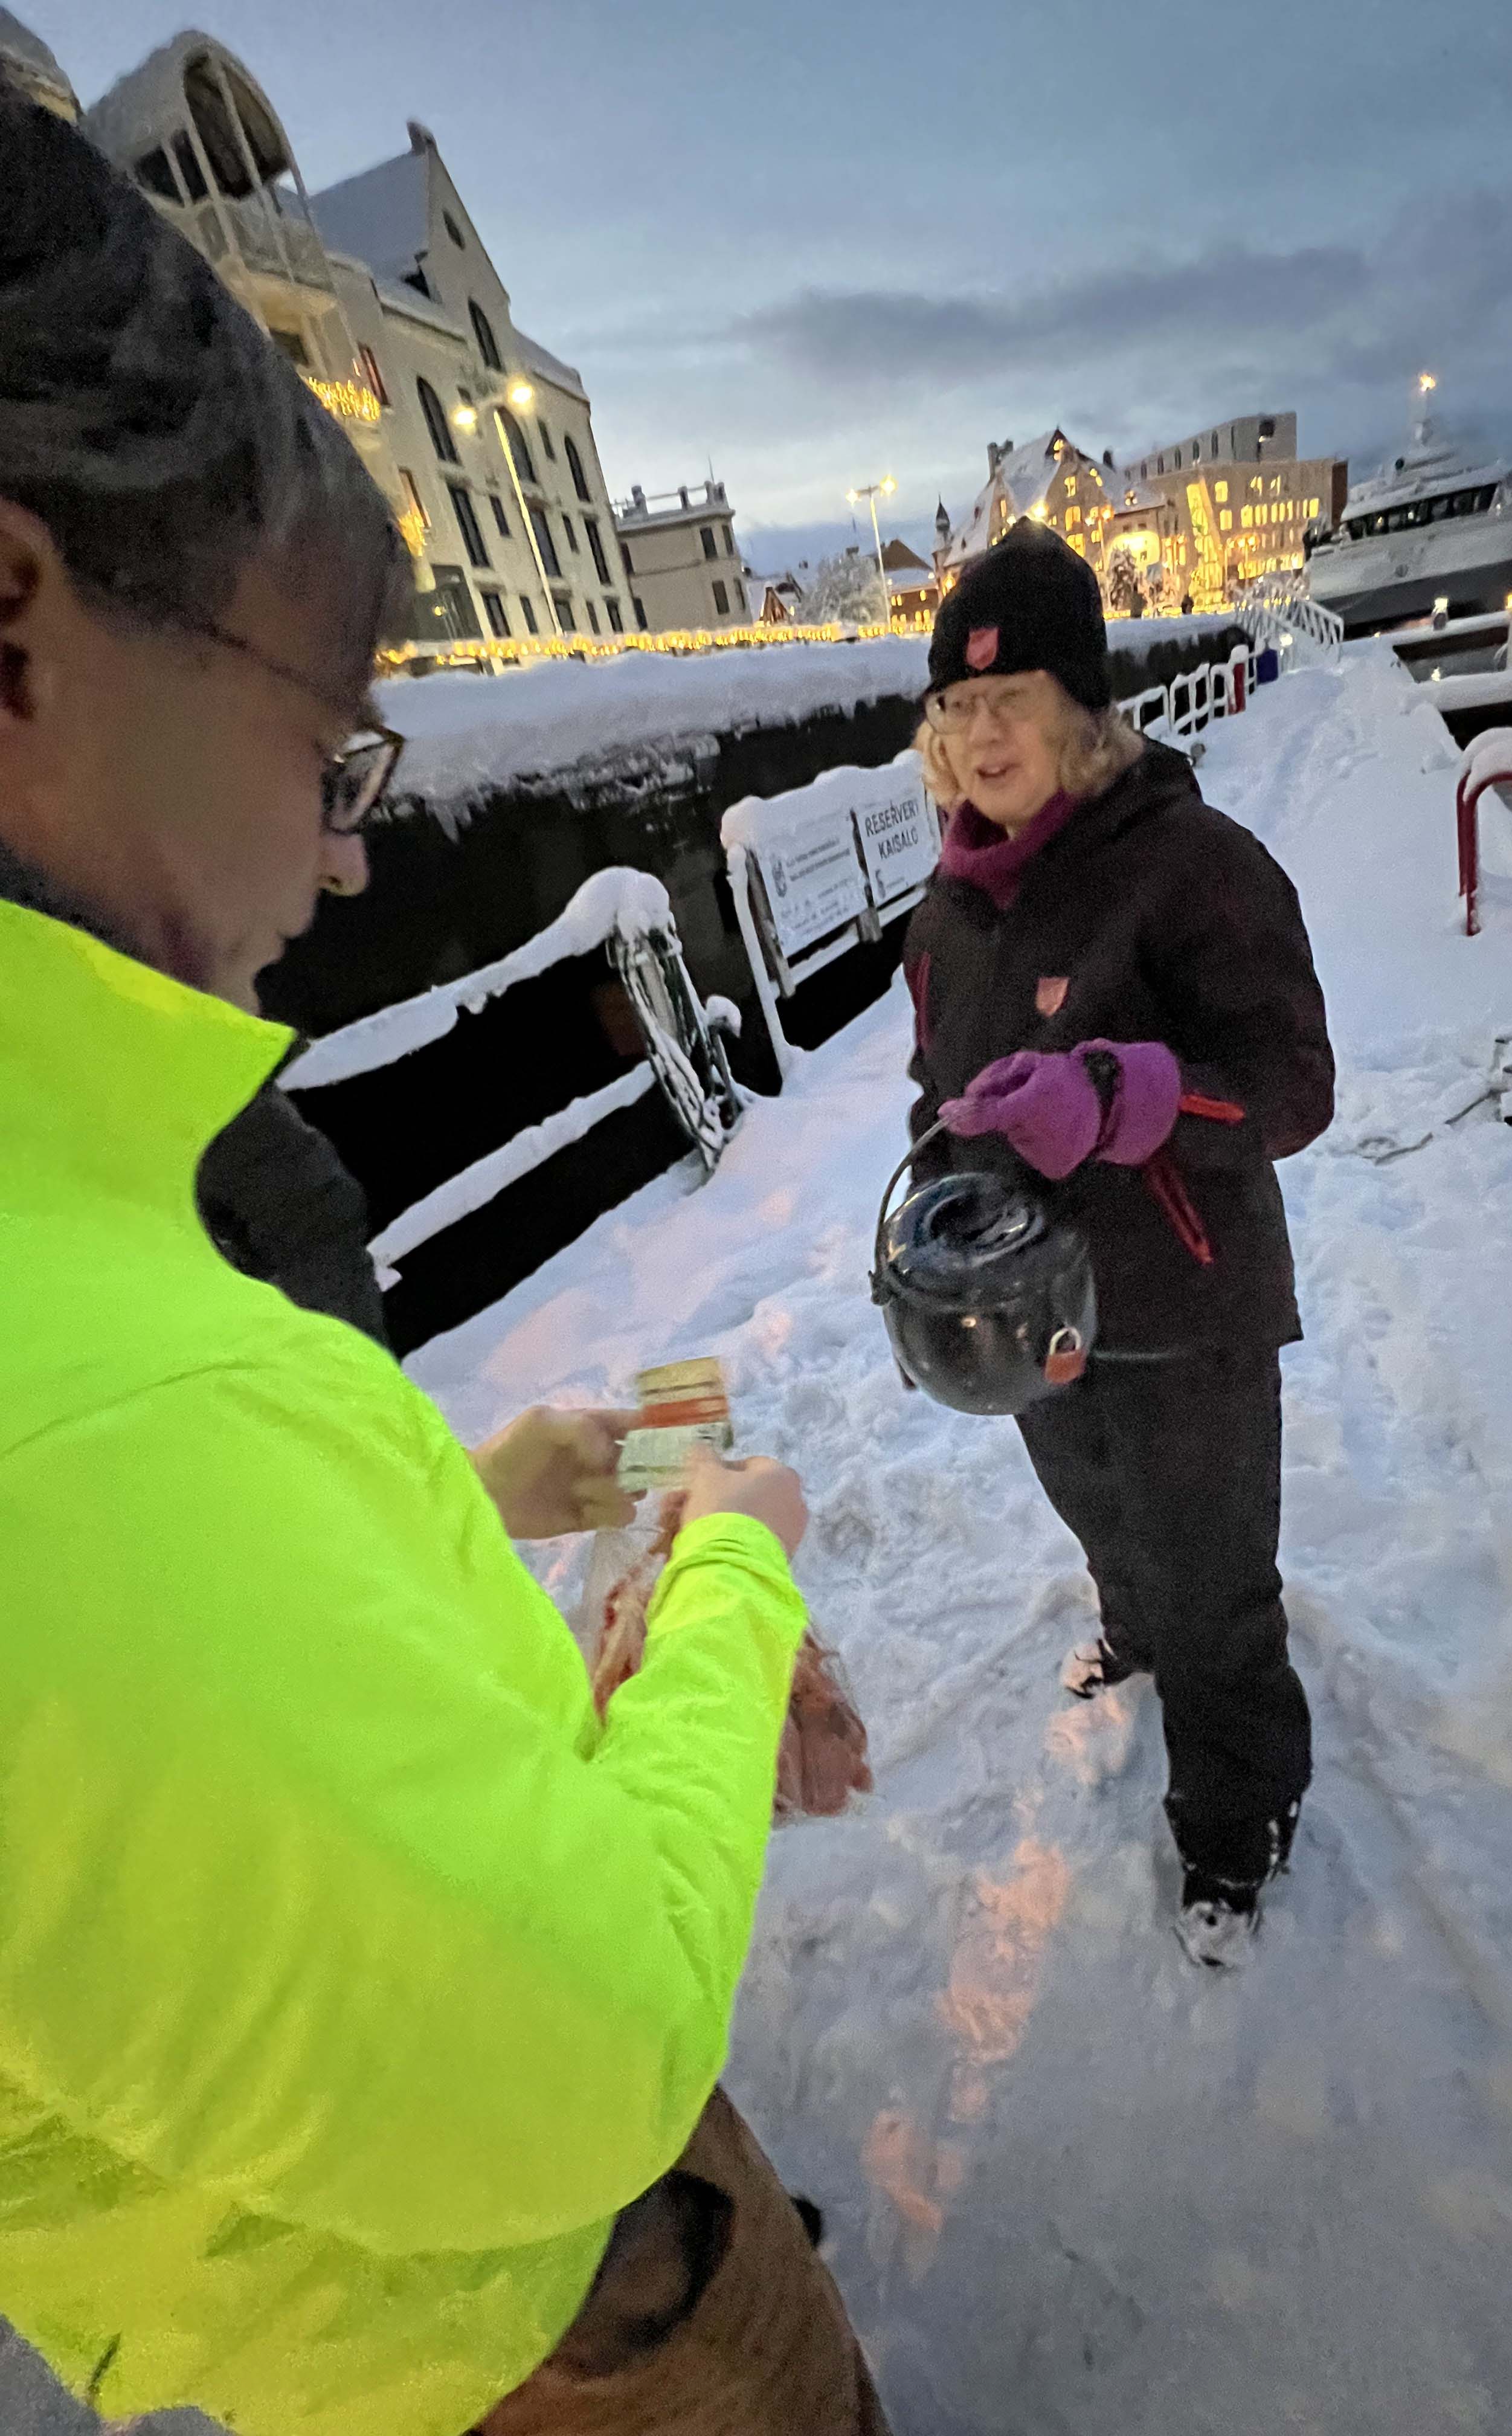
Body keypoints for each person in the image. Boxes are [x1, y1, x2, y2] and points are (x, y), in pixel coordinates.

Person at [0, 94, 885, 2436]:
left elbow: (172, 1633)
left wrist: (457, 1489)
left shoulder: (71, 1272)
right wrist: (735, 1587)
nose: (358, 848)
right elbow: (595, 2038)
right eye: (332, 743)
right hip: (535, 2327)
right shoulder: (83, 1416)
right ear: (20, 628)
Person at [902, 524, 1334, 1965]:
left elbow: (1291, 1083)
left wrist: (1122, 1091)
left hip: (1187, 1306)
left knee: (1218, 1584)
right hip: (1035, 1316)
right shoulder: (947, 915)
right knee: (1103, 1519)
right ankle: (1130, 1627)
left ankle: (1238, 1811)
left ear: (1082, 714)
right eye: (955, 710)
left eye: (1008, 701)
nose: (978, 735)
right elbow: (937, 1088)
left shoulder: (1195, 866)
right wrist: (924, 1196)